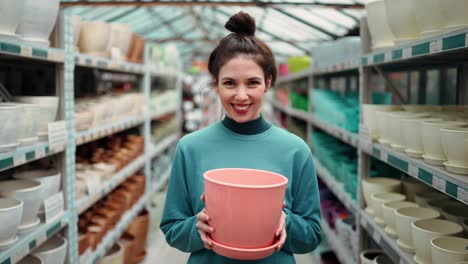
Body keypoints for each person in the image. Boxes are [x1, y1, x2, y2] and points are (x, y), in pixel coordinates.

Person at [160, 11, 323, 264]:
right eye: (229, 83)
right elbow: (172, 229)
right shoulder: (190, 148)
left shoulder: (295, 150)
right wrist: (197, 227)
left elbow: (312, 235)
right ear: (215, 83)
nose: (241, 95)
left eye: (253, 82)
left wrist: (286, 222)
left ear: (268, 82)